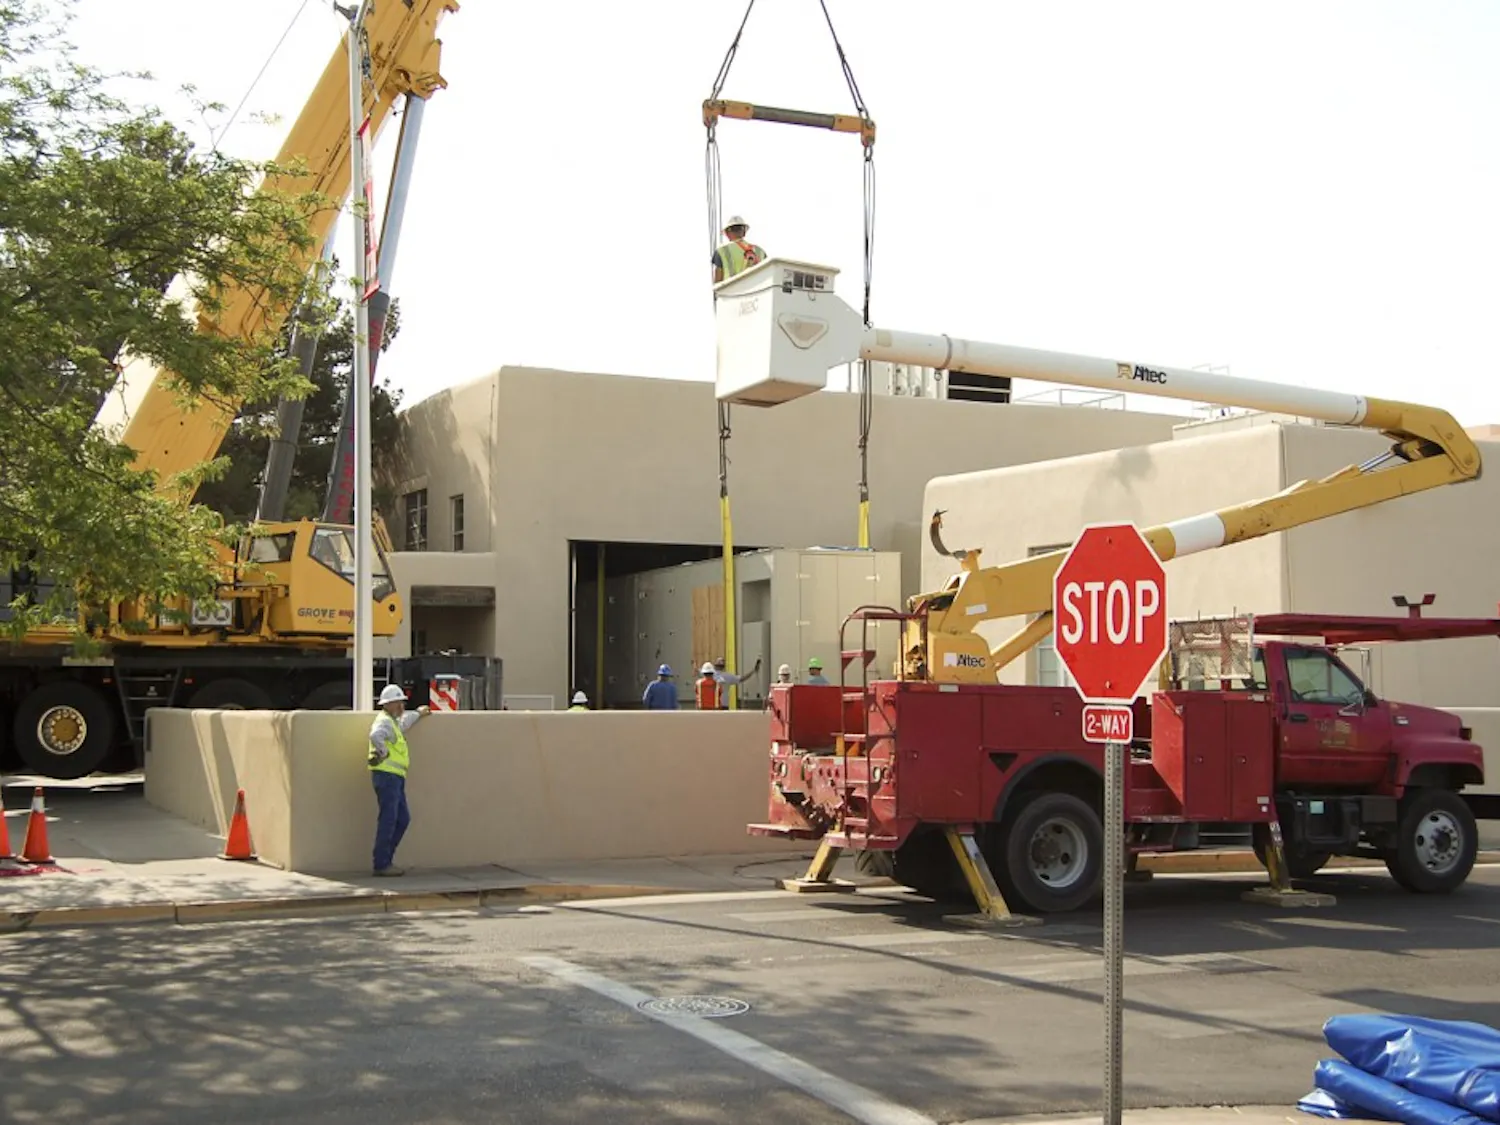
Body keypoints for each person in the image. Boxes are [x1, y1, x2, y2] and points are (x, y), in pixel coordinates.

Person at [368, 683, 431, 877]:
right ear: (389, 704)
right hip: (387, 777)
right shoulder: (385, 722)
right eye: (399, 703)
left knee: (401, 819)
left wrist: (419, 713)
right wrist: (383, 752)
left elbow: (403, 723)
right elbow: (375, 735)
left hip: (394, 778)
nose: (402, 706)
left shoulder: (393, 721)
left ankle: (385, 860)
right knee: (389, 819)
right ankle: (382, 863)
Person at [711, 215, 766, 284]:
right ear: (744, 232)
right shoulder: (760, 252)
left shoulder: (721, 251)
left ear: (727, 233)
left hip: (731, 292)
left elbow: (717, 282)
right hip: (757, 292)